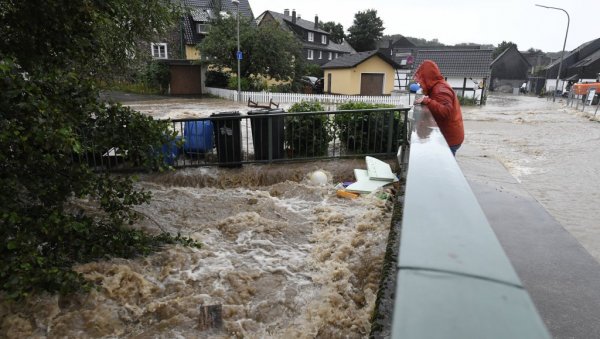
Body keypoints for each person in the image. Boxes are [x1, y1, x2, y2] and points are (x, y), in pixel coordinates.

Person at [413, 60, 464, 156]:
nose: (420, 83)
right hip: (452, 136)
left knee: (446, 167)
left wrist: (427, 101)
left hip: (450, 139)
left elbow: (445, 112)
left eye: (422, 79)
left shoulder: (440, 90)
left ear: (427, 77)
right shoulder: (437, 86)